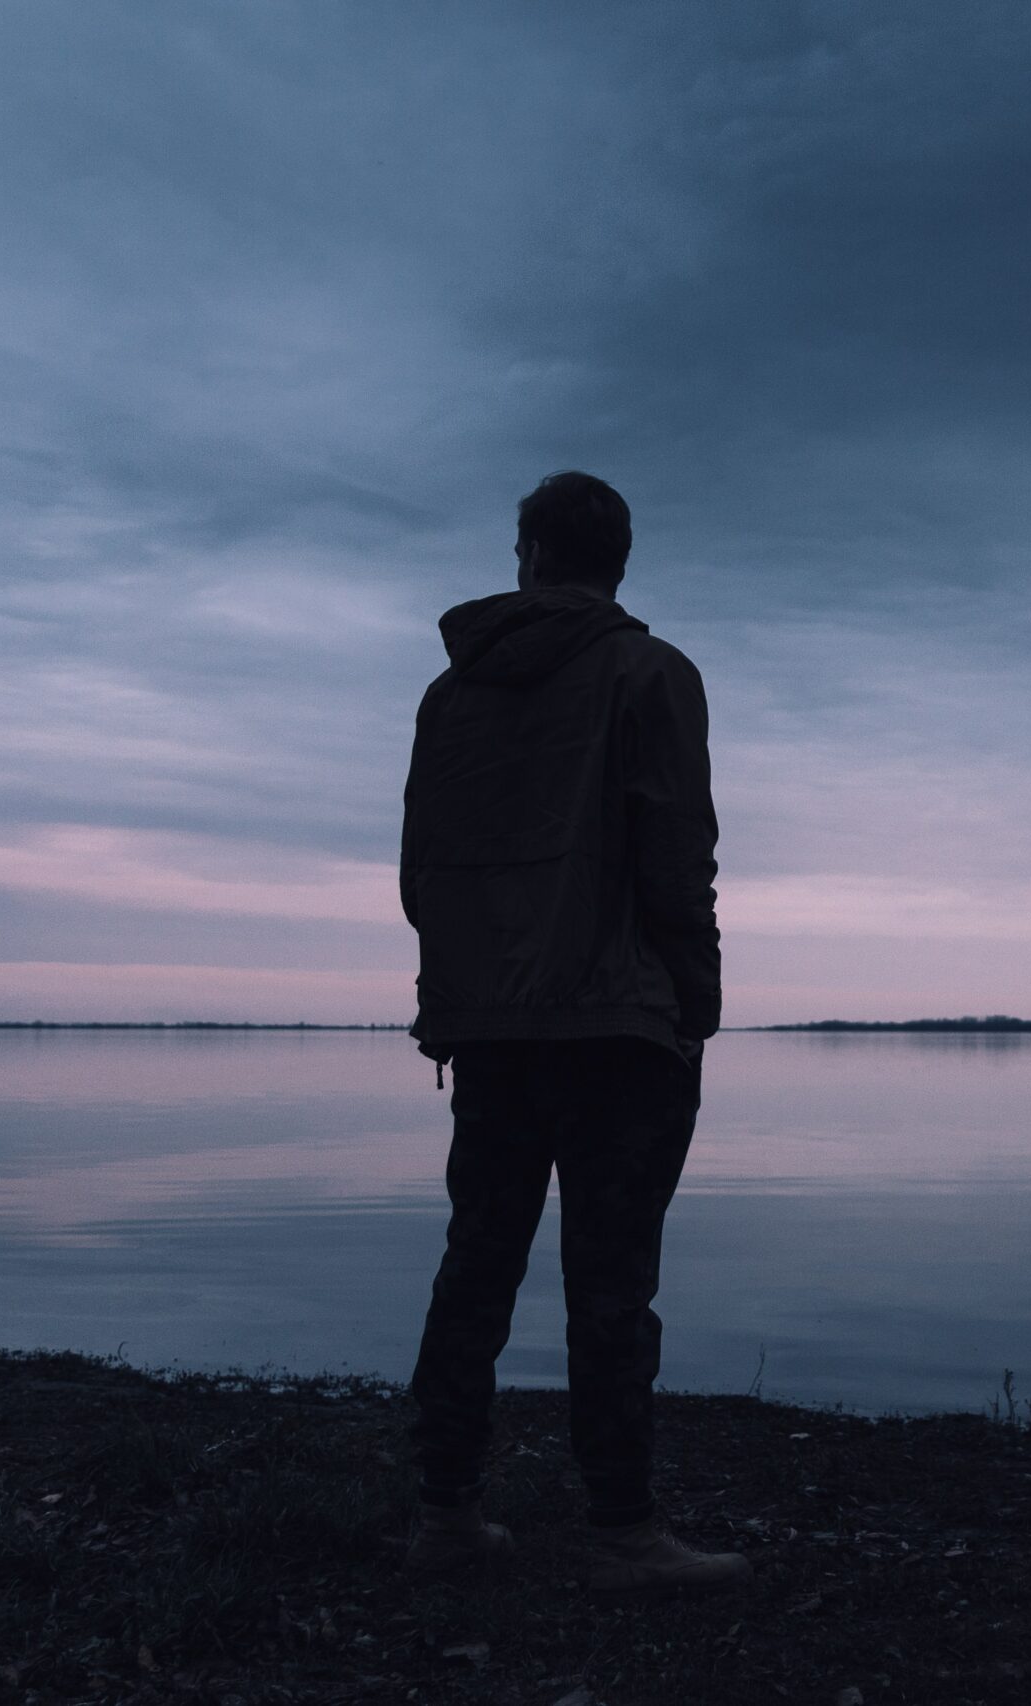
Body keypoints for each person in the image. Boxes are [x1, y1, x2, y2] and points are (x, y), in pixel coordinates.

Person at [398, 470, 745, 1593]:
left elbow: (420, 876)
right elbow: (675, 857)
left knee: (476, 1265)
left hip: (491, 1028)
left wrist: (461, 995)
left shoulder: (450, 700)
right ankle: (621, 1531)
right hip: (616, 1030)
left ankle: (443, 1511)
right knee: (609, 1284)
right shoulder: (652, 673)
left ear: (531, 556)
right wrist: (697, 1002)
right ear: (617, 562)